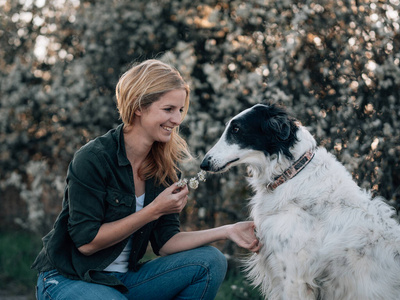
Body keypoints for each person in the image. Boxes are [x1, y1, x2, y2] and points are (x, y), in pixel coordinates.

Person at [32, 59, 261, 300]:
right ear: (139, 107)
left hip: (124, 281)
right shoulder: (93, 158)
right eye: (168, 109)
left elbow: (165, 243)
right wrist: (153, 210)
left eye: (180, 110)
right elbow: (87, 242)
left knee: (210, 261)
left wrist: (227, 230)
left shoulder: (166, 167)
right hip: (71, 278)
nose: (177, 119)